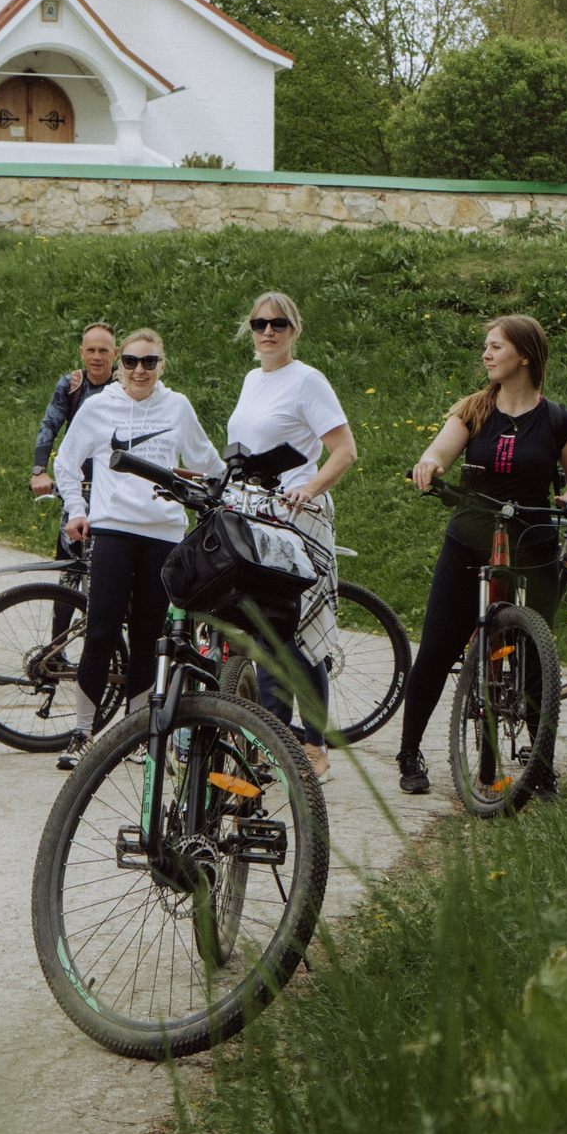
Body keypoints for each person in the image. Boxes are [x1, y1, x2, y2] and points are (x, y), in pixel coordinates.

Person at [401, 315, 567, 798]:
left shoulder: (557, 419)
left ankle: (541, 764)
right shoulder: (472, 410)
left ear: (524, 356)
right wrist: (429, 464)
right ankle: (409, 752)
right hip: (471, 536)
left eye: (496, 347)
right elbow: (440, 452)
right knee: (437, 648)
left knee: (536, 657)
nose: (486, 355)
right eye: (486, 347)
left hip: (534, 541)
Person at [52, 328, 224, 768]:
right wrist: (75, 508)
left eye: (149, 362)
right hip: (111, 531)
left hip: (163, 534)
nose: (139, 371)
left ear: (162, 365)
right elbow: (66, 461)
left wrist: (231, 491)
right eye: (130, 361)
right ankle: (82, 732)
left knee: (149, 636)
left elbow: (209, 463)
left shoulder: (177, 406)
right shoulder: (98, 406)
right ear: (119, 364)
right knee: (101, 630)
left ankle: (136, 735)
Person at [224, 291, 359, 780]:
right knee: (266, 633)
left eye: (278, 324)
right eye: (260, 323)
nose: (267, 332)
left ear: (294, 330)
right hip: (254, 519)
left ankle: (314, 745)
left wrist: (309, 488)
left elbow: (344, 451)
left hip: (295, 522)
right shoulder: (252, 380)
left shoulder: (307, 381)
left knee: (300, 633)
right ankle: (269, 741)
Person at [29, 322, 120, 497]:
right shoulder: (71, 385)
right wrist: (39, 471)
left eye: (103, 351)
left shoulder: (125, 386)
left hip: (116, 483)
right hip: (77, 483)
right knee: (72, 524)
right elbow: (49, 425)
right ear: (81, 352)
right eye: (91, 350)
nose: (96, 357)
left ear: (115, 353)